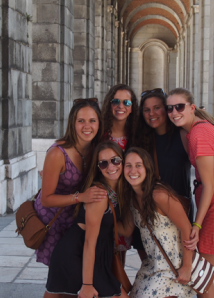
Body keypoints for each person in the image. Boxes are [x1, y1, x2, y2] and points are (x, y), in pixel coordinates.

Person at [133, 88, 214, 260]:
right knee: (153, 266)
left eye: (157, 107)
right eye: (146, 109)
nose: (152, 113)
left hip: (180, 209)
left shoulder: (184, 134)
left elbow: (210, 154)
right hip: (149, 210)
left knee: (183, 265)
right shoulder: (140, 139)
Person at [166, 88, 214, 298]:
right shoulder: (196, 129)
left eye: (179, 106)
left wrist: (197, 225)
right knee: (202, 277)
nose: (174, 112)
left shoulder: (199, 134)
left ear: (192, 108)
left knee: (200, 276)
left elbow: (209, 185)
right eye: (170, 108)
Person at [44, 141, 129, 298]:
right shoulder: (99, 195)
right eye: (103, 164)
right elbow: (90, 242)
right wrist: (87, 285)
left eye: (115, 160)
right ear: (97, 168)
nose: (111, 167)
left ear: (123, 161)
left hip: (94, 257)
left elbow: (124, 228)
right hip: (76, 255)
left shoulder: (118, 191)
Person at [34, 98, 109, 266]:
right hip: (54, 218)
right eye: (81, 121)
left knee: (76, 270)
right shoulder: (57, 153)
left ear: (99, 123)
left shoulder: (96, 148)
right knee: (60, 273)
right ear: (72, 123)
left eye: (92, 121)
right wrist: (80, 197)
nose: (87, 126)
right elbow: (46, 199)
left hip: (76, 216)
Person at [117, 147, 195, 298]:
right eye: (128, 165)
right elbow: (126, 229)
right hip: (152, 264)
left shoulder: (159, 195)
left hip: (174, 267)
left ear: (147, 168)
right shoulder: (132, 198)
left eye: (138, 165)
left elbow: (187, 228)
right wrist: (99, 221)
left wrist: (186, 267)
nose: (133, 170)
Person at [101, 84, 139, 261]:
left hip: (127, 199)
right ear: (109, 104)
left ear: (132, 108)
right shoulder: (99, 133)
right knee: (101, 251)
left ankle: (117, 288)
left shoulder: (137, 135)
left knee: (119, 255)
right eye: (115, 101)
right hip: (101, 199)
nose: (120, 106)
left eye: (126, 102)